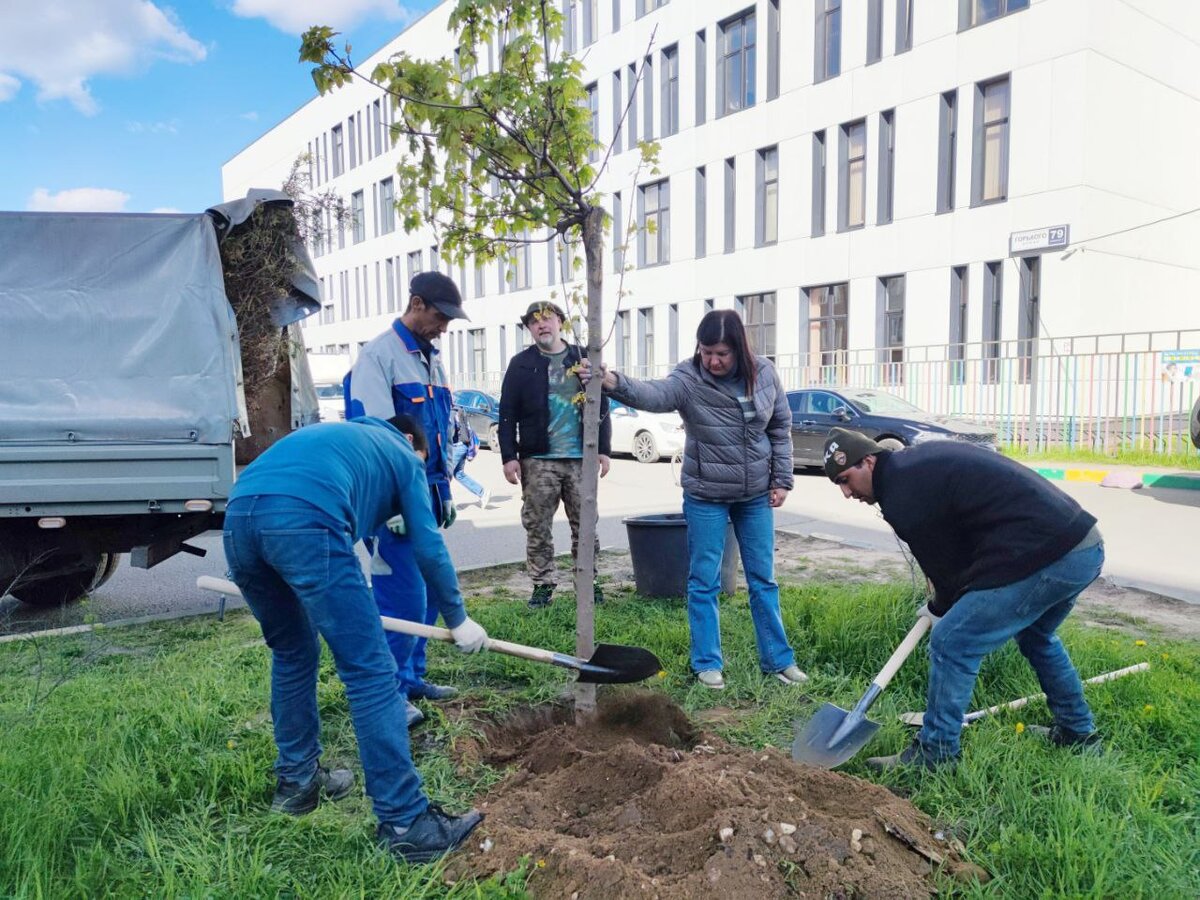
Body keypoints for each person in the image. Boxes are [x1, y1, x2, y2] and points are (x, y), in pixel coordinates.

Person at [222, 416, 486, 862]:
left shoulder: (341, 439)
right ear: (409, 442)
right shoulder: (402, 454)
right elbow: (429, 544)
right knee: (371, 673)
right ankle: (406, 822)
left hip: (239, 520)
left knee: (292, 652)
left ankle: (298, 783)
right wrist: (459, 618)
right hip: (304, 519)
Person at [821, 426, 1105, 771]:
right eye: (838, 484)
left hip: (1047, 554)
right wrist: (945, 598)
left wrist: (940, 607)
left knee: (952, 641)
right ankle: (1078, 732)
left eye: (847, 479)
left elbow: (946, 570)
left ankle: (936, 754)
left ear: (868, 461)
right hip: (1083, 546)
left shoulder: (901, 493)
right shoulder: (913, 468)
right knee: (1036, 635)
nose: (847, 493)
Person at [597, 309, 806, 690]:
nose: (712, 360)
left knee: (763, 579)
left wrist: (782, 479)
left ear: (739, 349)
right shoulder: (689, 378)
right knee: (704, 580)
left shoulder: (765, 374)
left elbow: (779, 427)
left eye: (721, 354)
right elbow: (654, 394)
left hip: (756, 494)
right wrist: (613, 381)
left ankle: (778, 660)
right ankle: (707, 663)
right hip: (707, 494)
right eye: (706, 351)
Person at [345, 271, 463, 707]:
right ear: (416, 304)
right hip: (392, 498)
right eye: (439, 315)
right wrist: (389, 500)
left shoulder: (430, 357)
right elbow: (376, 432)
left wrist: (444, 487)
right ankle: (390, 692)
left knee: (430, 590)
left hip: (427, 490)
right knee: (402, 597)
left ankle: (412, 678)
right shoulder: (379, 357)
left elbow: (439, 430)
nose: (444, 326)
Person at [499, 300, 612, 609]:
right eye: (534, 321)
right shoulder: (521, 364)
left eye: (547, 318)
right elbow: (506, 412)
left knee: (586, 524)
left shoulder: (583, 358)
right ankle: (542, 584)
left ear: (560, 321)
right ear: (530, 329)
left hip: (581, 458)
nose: (541, 325)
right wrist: (509, 456)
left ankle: (588, 582)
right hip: (538, 461)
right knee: (537, 525)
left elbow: (602, 404)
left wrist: (603, 450)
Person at [450, 403, 490, 508]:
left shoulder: (451, 412)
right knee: (459, 474)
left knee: (445, 476)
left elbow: (450, 432)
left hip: (456, 447)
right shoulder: (459, 409)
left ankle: (445, 505)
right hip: (464, 445)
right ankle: (482, 492)